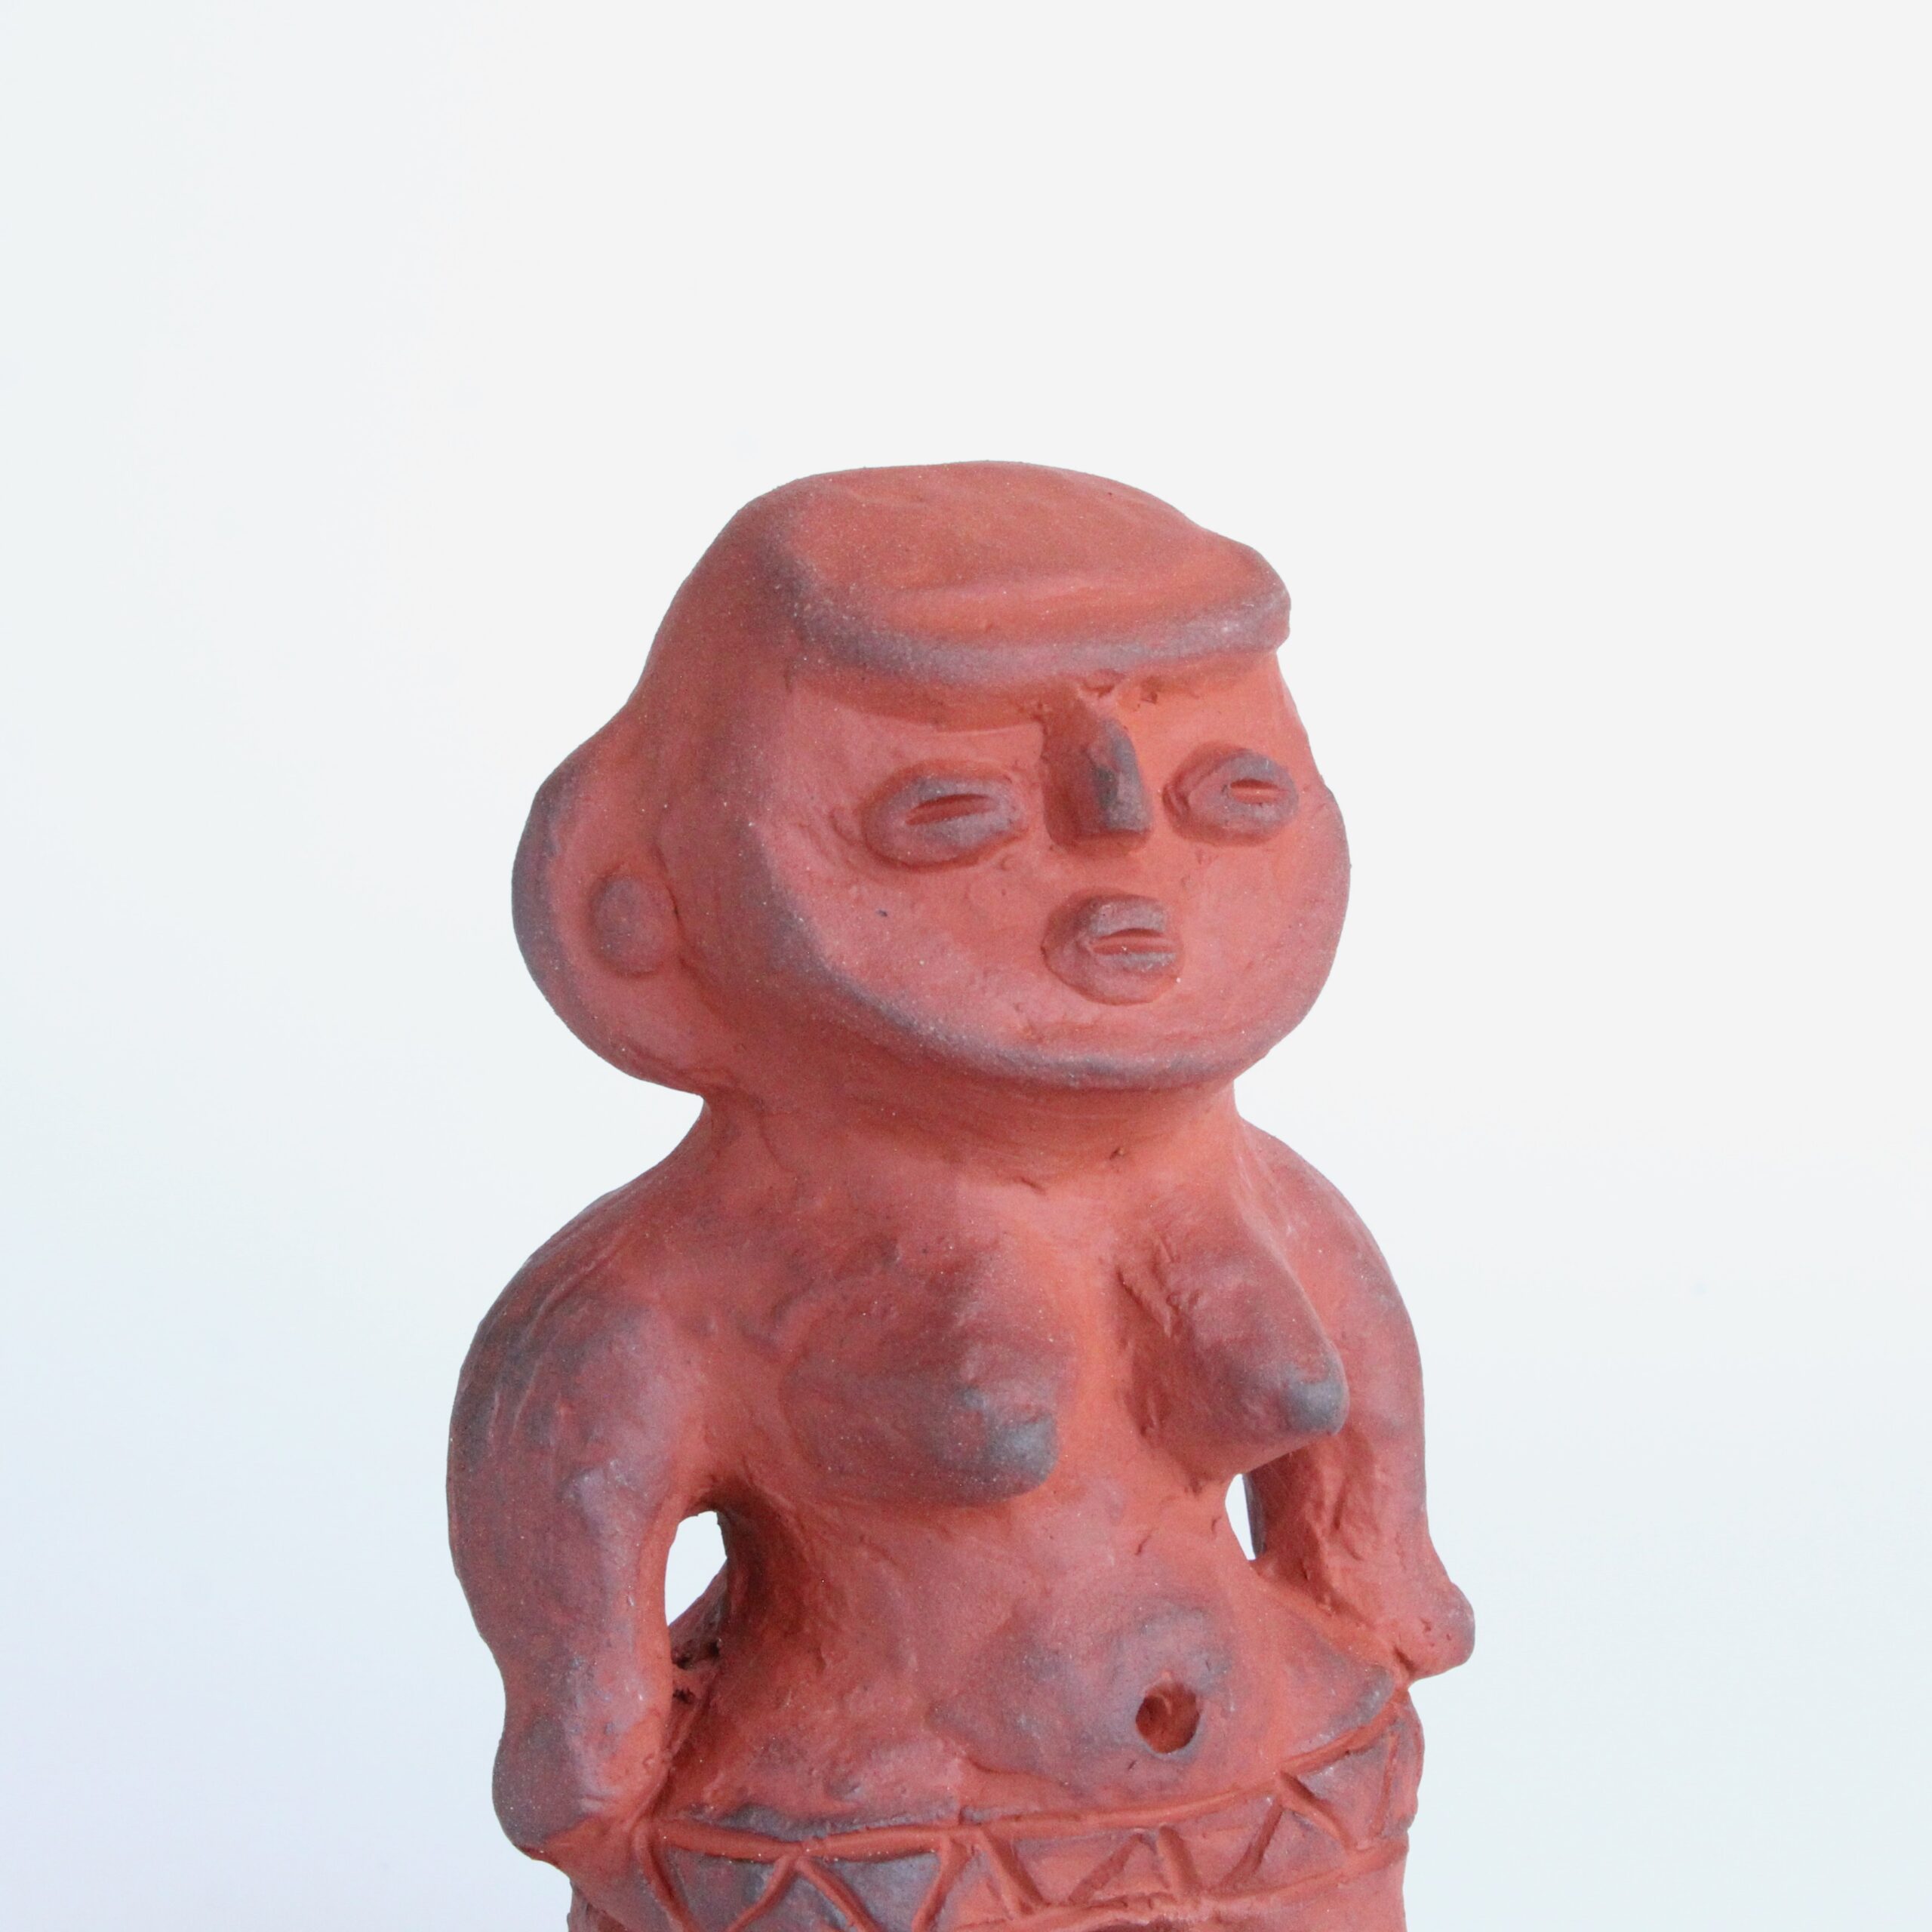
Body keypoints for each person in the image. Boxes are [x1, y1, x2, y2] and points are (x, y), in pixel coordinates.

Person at [449, 463, 1472, 1932]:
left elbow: (1368, 1501)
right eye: (951, 809)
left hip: (1288, 1799)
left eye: (1227, 790)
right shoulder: (697, 1275)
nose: (1117, 829)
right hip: (861, 1843)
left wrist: (1379, 1571)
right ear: (634, 892)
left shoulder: (1272, 1204)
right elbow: (572, 1450)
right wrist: (586, 1711)